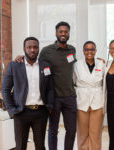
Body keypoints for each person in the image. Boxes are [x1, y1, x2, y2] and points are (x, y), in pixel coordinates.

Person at [14, 21, 77, 150]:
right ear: (56, 33)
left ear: (69, 33)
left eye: (66, 31)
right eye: (61, 31)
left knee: (71, 130)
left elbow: (73, 67)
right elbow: (34, 60)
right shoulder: (46, 51)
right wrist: (21, 57)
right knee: (53, 130)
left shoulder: (72, 49)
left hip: (70, 96)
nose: (63, 34)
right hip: (53, 97)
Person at [2, 37, 54, 150]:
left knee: (40, 146)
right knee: (20, 146)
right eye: (29, 47)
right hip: (21, 112)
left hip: (41, 113)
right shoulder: (14, 66)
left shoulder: (46, 66)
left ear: (38, 48)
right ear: (24, 49)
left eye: (35, 47)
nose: (32, 50)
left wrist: (49, 106)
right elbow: (5, 89)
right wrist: (11, 110)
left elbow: (50, 88)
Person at [74, 41, 104, 150]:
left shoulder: (102, 64)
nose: (89, 52)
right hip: (82, 101)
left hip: (97, 102)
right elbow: (73, 82)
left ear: (95, 51)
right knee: (82, 133)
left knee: (95, 134)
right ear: (83, 51)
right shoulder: (76, 65)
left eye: (92, 49)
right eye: (87, 49)